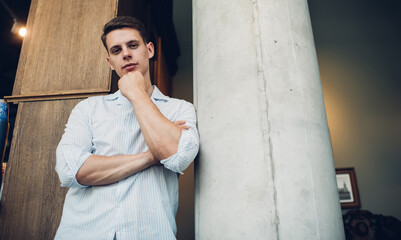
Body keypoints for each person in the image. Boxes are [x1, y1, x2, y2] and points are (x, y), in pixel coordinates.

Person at [55, 16, 199, 240]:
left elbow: (177, 157)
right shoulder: (88, 109)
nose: (126, 53)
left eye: (133, 45)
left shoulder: (180, 109)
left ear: (149, 50)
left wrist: (136, 93)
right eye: (116, 50)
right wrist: (152, 156)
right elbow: (70, 171)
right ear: (110, 62)